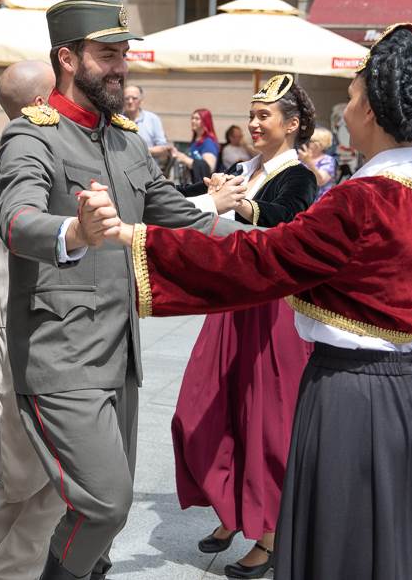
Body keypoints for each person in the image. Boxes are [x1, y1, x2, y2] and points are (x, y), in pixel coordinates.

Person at [93, 23, 412, 580]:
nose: (347, 111)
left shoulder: (360, 201)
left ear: (376, 114)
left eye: (354, 98)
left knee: (339, 535)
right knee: (391, 532)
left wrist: (134, 237)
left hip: (346, 391)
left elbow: (258, 260)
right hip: (405, 389)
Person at [0, 0, 236, 580]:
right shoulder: (32, 136)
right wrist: (74, 230)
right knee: (106, 502)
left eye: (124, 54)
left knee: (102, 523)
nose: (121, 67)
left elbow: (186, 220)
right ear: (67, 58)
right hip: (58, 356)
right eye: (107, 55)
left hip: (118, 356)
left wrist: (284, 241)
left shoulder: (127, 141)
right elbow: (15, 219)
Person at [172, 74, 318, 579]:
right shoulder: (241, 168)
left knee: (263, 423)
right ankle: (231, 511)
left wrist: (237, 203)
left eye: (265, 116)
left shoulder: (299, 176)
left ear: (293, 124)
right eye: (252, 115)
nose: (254, 123)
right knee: (202, 411)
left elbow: (284, 218)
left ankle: (270, 533)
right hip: (230, 305)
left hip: (270, 312)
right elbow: (180, 197)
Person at [0, 60, 64, 580]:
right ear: (41, 106)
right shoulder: (25, 162)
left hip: (9, 330)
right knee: (58, 475)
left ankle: (6, 564)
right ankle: (7, 573)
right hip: (24, 333)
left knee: (16, 476)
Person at [122, 84, 171, 160]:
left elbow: (163, 147)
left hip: (148, 168)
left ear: (141, 101)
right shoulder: (116, 120)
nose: (130, 101)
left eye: (134, 98)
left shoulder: (153, 119)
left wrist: (141, 150)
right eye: (127, 98)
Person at [171, 108, 219, 182]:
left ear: (205, 121)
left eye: (197, 119)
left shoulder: (208, 142)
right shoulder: (195, 140)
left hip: (204, 186)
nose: (193, 121)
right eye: (192, 118)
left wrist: (184, 159)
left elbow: (209, 167)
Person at [298, 126, 337, 199]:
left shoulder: (328, 160)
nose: (308, 143)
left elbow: (321, 181)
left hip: (320, 204)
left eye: (311, 141)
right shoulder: (303, 158)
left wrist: (309, 163)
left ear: (321, 144)